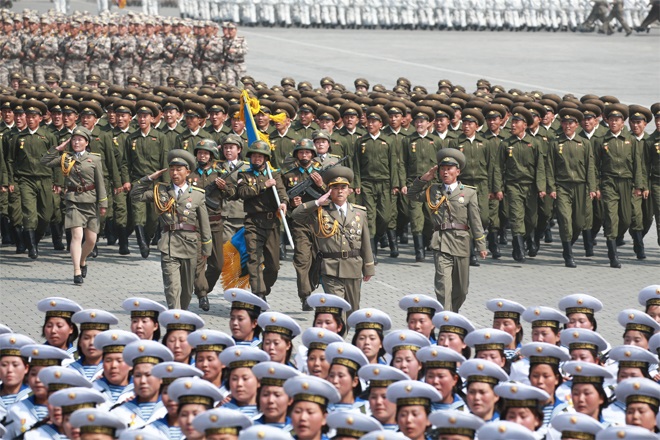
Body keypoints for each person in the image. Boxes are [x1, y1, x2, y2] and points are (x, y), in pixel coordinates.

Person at [406, 149, 487, 312]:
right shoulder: (433, 190)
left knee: (461, 290)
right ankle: (446, 318)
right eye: (442, 169)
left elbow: (475, 220)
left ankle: (453, 313)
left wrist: (481, 245)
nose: (445, 172)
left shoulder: (468, 193)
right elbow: (411, 194)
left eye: (449, 169)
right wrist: (423, 179)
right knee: (443, 286)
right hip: (441, 242)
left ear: (458, 172)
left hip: (461, 243)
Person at [131, 149, 212, 310]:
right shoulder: (161, 191)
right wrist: (149, 178)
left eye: (178, 169)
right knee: (172, 287)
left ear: (187, 172)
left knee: (186, 290)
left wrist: (206, 248)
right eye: (172, 169)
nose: (174, 173)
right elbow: (135, 195)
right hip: (169, 244)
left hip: (190, 245)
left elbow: (204, 224)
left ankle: (182, 313)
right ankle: (174, 315)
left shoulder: (197, 195)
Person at [291, 166, 374, 311]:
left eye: (343, 187)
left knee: (352, 309)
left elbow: (365, 242)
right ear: (329, 190)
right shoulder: (320, 212)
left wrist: (368, 267)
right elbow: (296, 215)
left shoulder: (359, 213)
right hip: (330, 268)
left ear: (349, 190)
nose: (340, 191)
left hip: (353, 267)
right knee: (336, 309)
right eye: (335, 188)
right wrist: (317, 202)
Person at [41, 126, 108, 284]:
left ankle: (82, 260)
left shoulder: (94, 159)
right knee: (77, 236)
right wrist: (58, 149)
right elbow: (44, 162)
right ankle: (76, 271)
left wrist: (103, 203)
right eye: (74, 139)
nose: (76, 142)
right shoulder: (66, 158)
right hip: (73, 201)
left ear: (86, 142)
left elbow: (100, 182)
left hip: (91, 201)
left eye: (80, 140)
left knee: (91, 240)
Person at [236, 140, 288, 300]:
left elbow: (282, 192)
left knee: (273, 266)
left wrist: (284, 203)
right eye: (254, 156)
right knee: (255, 259)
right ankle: (258, 293)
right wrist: (264, 185)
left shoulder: (275, 174)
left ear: (266, 158)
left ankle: (263, 287)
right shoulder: (244, 175)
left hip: (272, 223)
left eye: (260, 156)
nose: (257, 159)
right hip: (253, 222)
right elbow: (243, 193)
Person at [546, 108, 597, 268]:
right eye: (564, 122)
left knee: (579, 223)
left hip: (581, 187)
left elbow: (590, 167)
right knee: (565, 219)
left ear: (577, 125)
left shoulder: (584, 143)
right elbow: (550, 167)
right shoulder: (555, 143)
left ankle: (569, 243)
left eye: (571, 123)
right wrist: (551, 187)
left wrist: (592, 187)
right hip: (562, 186)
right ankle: (568, 254)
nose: (567, 126)